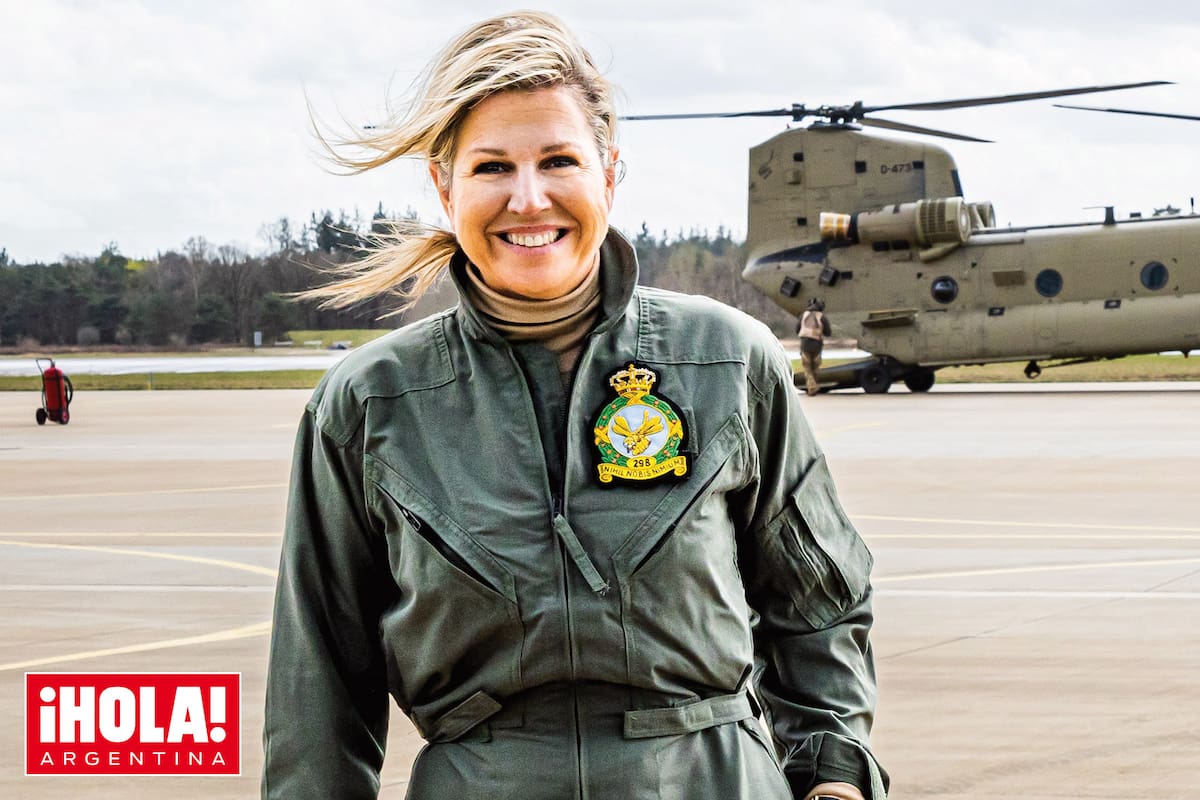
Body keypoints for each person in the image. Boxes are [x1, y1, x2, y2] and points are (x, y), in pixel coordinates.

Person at [262, 11, 887, 800]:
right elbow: (315, 684)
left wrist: (834, 777)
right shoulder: (368, 404)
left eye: (559, 160)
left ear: (609, 175)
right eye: (493, 167)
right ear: (443, 185)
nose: (529, 199)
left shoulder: (729, 362)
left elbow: (818, 601)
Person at [797, 299, 832, 396]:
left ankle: (812, 386)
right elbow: (828, 332)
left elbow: (797, 329)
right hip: (817, 344)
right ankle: (813, 386)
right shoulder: (822, 317)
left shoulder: (803, 315)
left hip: (804, 344)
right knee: (815, 366)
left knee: (807, 367)